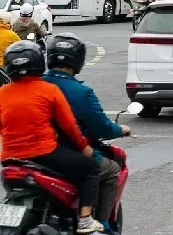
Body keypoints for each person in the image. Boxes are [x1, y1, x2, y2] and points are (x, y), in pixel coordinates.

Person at [0, 41, 105, 234]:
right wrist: (84, 147)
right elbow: (70, 125)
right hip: (44, 153)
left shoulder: (3, 93)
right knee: (91, 169)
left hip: (10, 159)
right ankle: (85, 220)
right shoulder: (49, 90)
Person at [42, 33, 131, 235]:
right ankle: (100, 226)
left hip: (26, 153)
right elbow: (101, 127)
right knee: (111, 170)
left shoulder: (36, 85)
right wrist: (121, 130)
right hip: (62, 152)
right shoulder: (80, 92)